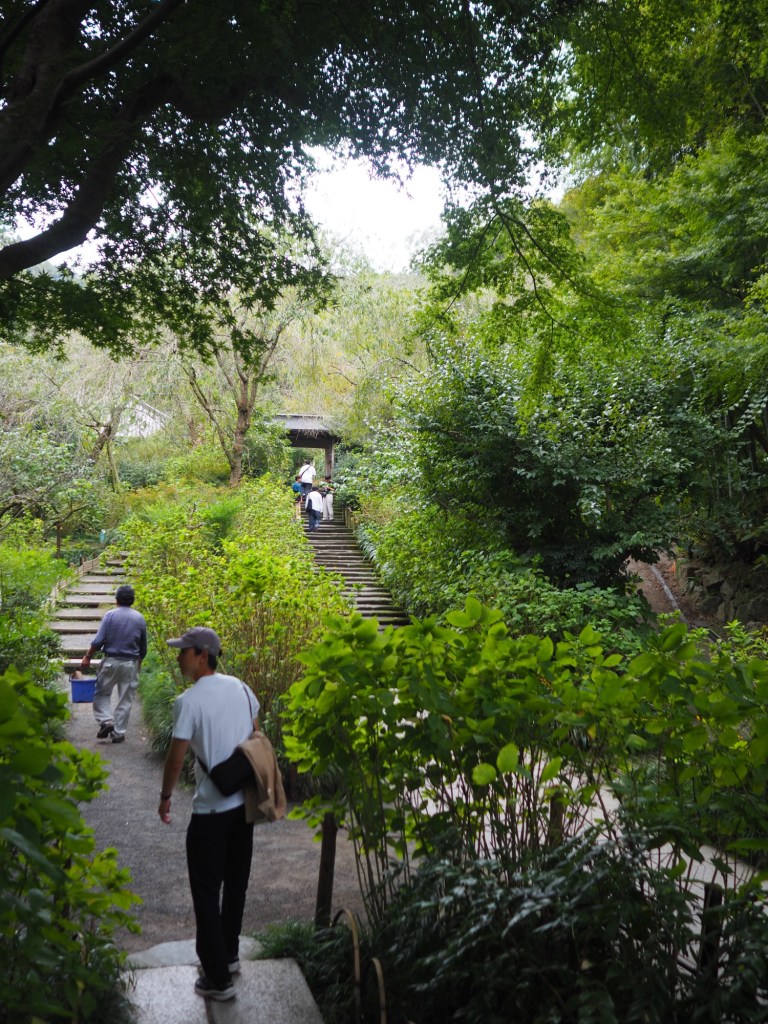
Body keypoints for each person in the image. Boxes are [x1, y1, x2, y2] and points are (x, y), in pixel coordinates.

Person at [158, 626, 259, 1004]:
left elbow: (176, 758)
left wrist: (165, 797)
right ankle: (229, 956)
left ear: (202, 655)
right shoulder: (242, 689)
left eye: (183, 651)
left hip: (210, 812)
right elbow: (255, 737)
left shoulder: (188, 701)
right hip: (243, 807)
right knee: (235, 885)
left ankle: (217, 979)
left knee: (205, 892)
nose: (178, 657)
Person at [81, 583, 147, 744]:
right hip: (130, 663)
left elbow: (99, 640)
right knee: (125, 699)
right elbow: (143, 646)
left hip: (111, 661)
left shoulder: (110, 615)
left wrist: (88, 656)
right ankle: (118, 734)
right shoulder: (139, 618)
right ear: (132, 600)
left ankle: (106, 721)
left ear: (116, 599)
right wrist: (139, 661)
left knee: (101, 693)